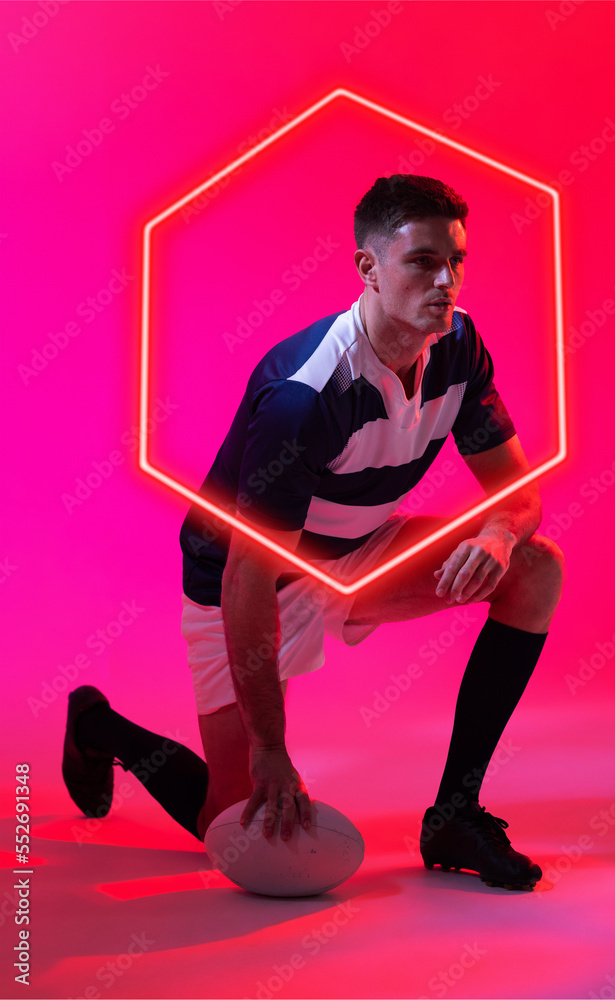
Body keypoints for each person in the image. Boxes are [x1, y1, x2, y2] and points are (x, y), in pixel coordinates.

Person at [62, 174, 564, 892]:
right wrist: (271, 744)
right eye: (421, 261)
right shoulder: (304, 396)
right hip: (248, 576)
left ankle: (455, 814)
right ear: (367, 267)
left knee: (534, 567)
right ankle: (101, 727)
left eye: (455, 260)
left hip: (352, 552)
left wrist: (496, 536)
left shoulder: (456, 344)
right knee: (235, 829)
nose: (445, 280)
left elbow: (516, 493)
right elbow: (246, 579)